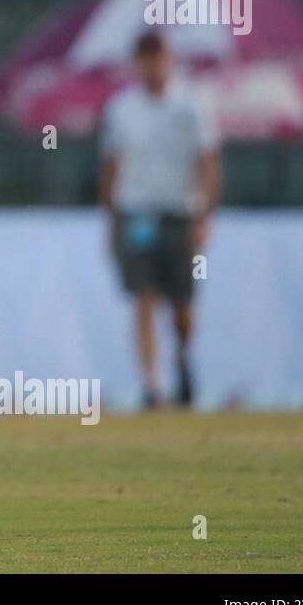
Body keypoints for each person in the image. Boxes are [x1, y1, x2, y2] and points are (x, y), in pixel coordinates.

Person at [98, 31, 222, 408]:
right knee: (143, 296)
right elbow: (111, 166)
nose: (152, 66)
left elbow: (207, 162)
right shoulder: (121, 108)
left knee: (181, 302)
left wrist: (203, 213)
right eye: (145, 58)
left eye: (158, 57)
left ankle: (182, 356)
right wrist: (109, 220)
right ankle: (152, 386)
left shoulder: (192, 104)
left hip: (179, 213)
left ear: (170, 60)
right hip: (137, 212)